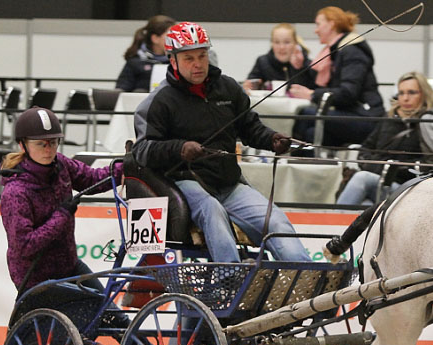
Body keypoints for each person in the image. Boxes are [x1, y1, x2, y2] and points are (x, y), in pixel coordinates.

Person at [131, 21, 310, 263]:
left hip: (229, 184)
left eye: (202, 56)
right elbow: (142, 150)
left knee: (275, 221)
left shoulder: (229, 89)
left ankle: (308, 282)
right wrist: (180, 148)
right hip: (184, 182)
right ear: (172, 61)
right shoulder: (159, 102)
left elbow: (249, 127)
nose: (198, 64)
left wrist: (271, 139)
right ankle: (230, 282)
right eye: (189, 58)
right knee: (211, 210)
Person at [0, 107, 124, 293]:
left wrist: (126, 166)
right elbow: (25, 246)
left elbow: (92, 178)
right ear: (22, 145)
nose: (49, 149)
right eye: (41, 144)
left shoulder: (61, 164)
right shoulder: (15, 192)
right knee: (90, 314)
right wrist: (62, 215)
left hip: (68, 266)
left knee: (111, 315)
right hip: (37, 278)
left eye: (53, 142)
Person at [337, 71, 433, 206]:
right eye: (401, 93)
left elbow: (426, 162)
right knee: (364, 205)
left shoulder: (428, 122)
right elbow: (365, 150)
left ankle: (329, 221)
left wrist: (388, 169)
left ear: (424, 94)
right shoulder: (388, 118)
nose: (405, 98)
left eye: (412, 93)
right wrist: (380, 167)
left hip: (405, 188)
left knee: (362, 178)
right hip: (378, 180)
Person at [290, 6, 384, 147]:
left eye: (318, 24)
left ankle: (293, 160)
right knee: (311, 133)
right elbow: (317, 85)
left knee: (305, 114)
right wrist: (301, 67)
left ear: (332, 24)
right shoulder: (334, 52)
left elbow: (348, 93)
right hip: (350, 114)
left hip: (366, 118)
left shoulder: (352, 51)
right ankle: (307, 165)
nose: (316, 30)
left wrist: (312, 95)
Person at [242, 23, 315, 92]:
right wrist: (248, 87)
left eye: (287, 42)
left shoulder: (308, 64)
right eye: (277, 42)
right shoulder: (262, 62)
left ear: (295, 44)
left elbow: (311, 91)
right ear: (272, 44)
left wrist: (298, 68)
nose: (281, 47)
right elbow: (251, 84)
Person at [115, 15, 176, 92]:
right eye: (170, 36)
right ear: (155, 38)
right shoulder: (135, 62)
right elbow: (121, 91)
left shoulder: (176, 62)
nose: (174, 40)